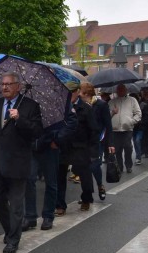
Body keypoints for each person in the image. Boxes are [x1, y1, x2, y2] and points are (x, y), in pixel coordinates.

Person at [0, 72, 43, 253]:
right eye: (2, 84)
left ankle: (13, 240)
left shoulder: (30, 106)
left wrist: (19, 119)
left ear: (18, 86)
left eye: (9, 84)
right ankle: (9, 230)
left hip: (17, 164)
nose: (4, 87)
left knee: (16, 205)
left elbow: (37, 132)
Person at [24, 84, 77, 227]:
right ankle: (30, 217)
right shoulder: (26, 99)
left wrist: (57, 139)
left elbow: (71, 122)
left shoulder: (58, 98)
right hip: (31, 146)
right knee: (29, 180)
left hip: (49, 146)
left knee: (51, 182)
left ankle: (48, 216)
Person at [58, 83, 100, 212]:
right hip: (64, 145)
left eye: (71, 92)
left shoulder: (86, 108)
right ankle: (60, 205)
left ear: (77, 92)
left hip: (80, 146)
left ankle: (86, 198)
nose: (69, 94)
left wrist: (92, 149)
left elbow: (93, 129)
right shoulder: (60, 106)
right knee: (59, 175)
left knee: (84, 174)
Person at [108, 84, 141, 173]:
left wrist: (132, 121)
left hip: (127, 129)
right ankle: (119, 166)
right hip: (115, 129)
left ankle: (128, 165)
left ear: (126, 91)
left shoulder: (132, 100)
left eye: (122, 90)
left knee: (128, 147)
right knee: (117, 149)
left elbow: (138, 113)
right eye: (119, 90)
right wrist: (112, 112)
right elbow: (106, 116)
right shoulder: (112, 102)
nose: (120, 91)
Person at [90, 88, 115, 202]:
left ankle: (100, 185)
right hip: (83, 141)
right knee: (84, 168)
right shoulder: (79, 105)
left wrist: (110, 143)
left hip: (98, 140)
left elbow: (108, 125)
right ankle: (87, 194)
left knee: (95, 165)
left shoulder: (101, 105)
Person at [139, 89, 148, 158]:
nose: (146, 94)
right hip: (142, 122)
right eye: (144, 93)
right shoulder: (140, 101)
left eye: (147, 93)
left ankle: (147, 151)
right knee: (142, 137)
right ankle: (142, 150)